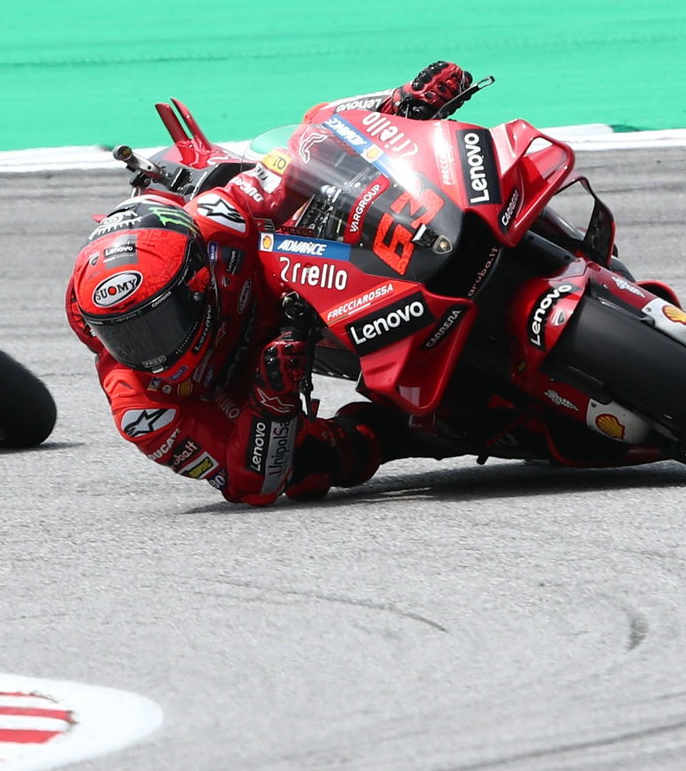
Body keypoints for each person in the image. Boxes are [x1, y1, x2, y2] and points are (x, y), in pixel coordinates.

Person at [66, 62, 472, 505]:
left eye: (157, 324)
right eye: (123, 337)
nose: (146, 351)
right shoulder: (142, 410)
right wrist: (271, 402)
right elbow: (247, 485)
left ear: (196, 283)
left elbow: (307, 143)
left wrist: (400, 103)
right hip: (254, 385)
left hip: (309, 285)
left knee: (338, 184)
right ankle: (410, 431)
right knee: (307, 471)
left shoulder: (218, 221)